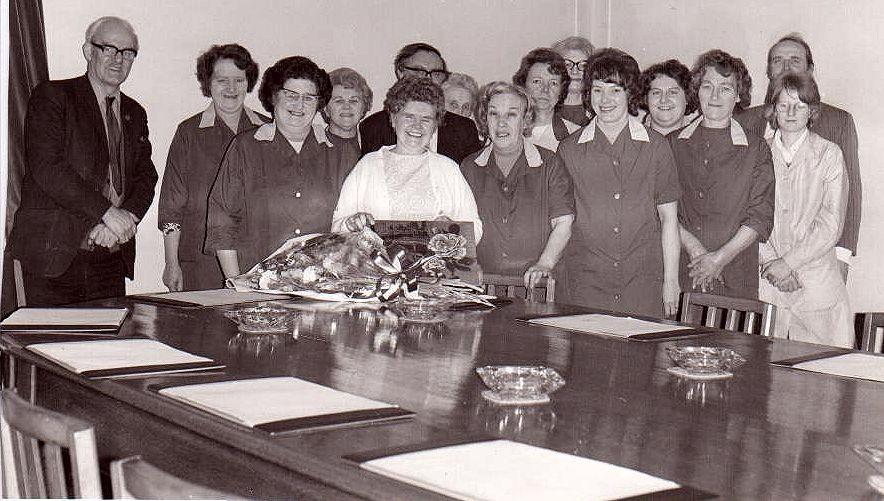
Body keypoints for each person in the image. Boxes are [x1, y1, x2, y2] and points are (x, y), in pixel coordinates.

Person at [8, 16, 157, 306]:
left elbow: (145, 176)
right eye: (109, 49)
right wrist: (108, 213)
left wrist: (124, 219)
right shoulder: (53, 96)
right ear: (89, 51)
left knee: (105, 349)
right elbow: (48, 168)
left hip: (111, 252)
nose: (118, 59)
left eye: (128, 53)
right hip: (55, 256)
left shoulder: (135, 112)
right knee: (49, 349)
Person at [205, 56, 359, 277]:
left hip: (322, 287)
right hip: (257, 285)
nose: (299, 105)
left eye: (309, 97)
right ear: (274, 96)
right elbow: (223, 220)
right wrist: (235, 283)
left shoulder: (342, 154)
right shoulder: (245, 148)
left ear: (319, 103)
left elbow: (353, 228)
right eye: (291, 95)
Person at [556, 48, 681, 318]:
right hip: (585, 283)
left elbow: (669, 219)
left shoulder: (656, 147)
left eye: (615, 90)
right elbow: (563, 221)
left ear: (630, 93)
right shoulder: (569, 150)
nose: (605, 99)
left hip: (643, 283)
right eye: (598, 90)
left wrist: (671, 280)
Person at [736, 34, 860, 281]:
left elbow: (851, 194)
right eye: (777, 60)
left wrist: (842, 257)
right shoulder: (745, 121)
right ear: (769, 70)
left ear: (810, 69)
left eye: (794, 60)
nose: (785, 66)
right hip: (759, 259)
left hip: (817, 261)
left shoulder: (838, 122)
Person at [158, 44, 267, 292]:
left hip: (255, 263)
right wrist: (171, 263)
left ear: (248, 83)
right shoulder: (188, 133)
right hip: (200, 262)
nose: (231, 88)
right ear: (208, 83)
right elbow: (171, 207)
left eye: (238, 80)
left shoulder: (267, 130)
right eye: (222, 80)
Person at [671, 50, 775, 300]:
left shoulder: (757, 148)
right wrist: (696, 252)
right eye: (707, 86)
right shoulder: (671, 144)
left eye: (725, 88)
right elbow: (660, 208)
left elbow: (760, 217)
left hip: (736, 274)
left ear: (738, 95)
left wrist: (718, 260)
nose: (715, 96)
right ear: (697, 90)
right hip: (685, 269)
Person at [758, 72, 851, 347]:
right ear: (772, 110)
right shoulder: (757, 153)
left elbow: (830, 223)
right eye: (783, 105)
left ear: (812, 111)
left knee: (822, 377)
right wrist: (772, 263)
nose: (790, 112)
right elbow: (749, 216)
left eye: (800, 105)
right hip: (768, 279)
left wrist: (788, 264)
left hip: (816, 283)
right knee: (763, 375)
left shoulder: (829, 154)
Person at [333, 76, 482, 241]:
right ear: (394, 119)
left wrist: (453, 228)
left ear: (435, 126)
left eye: (426, 119)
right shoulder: (368, 165)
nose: (417, 126)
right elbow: (337, 225)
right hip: (377, 266)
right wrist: (352, 222)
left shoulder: (448, 168)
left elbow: (475, 229)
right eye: (409, 117)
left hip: (436, 266)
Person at [460, 82, 574, 288]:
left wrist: (544, 264)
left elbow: (564, 222)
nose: (501, 123)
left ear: (525, 120)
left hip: (535, 285)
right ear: (485, 119)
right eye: (494, 114)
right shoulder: (469, 166)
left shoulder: (550, 163)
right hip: (481, 285)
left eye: (511, 115)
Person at [359, 42, 482, 163]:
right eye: (419, 70)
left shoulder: (464, 128)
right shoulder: (374, 127)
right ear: (400, 72)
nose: (427, 78)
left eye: (436, 73)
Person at [513, 48, 581, 152]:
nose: (545, 89)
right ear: (523, 85)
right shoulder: (508, 130)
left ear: (561, 89)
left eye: (553, 83)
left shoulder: (576, 135)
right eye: (537, 81)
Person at [638, 59, 697, 135]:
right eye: (656, 92)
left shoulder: (702, 141)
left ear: (687, 97)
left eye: (673, 92)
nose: (663, 99)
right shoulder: (629, 142)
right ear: (646, 99)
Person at [321, 67, 372, 150]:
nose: (347, 106)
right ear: (325, 108)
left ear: (364, 107)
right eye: (339, 101)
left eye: (353, 101)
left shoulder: (375, 147)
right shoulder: (311, 148)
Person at [551, 36, 594, 126]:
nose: (575, 71)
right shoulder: (545, 108)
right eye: (567, 64)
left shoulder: (599, 108)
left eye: (583, 65)